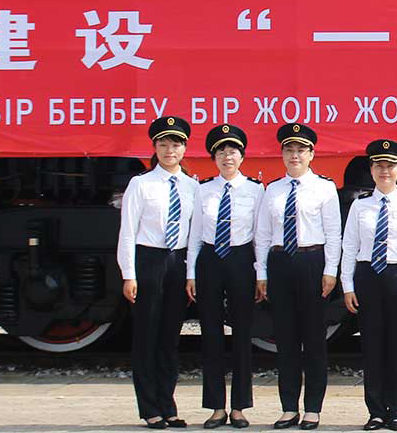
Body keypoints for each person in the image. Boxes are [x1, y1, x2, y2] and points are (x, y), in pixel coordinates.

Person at [254, 122, 342, 430]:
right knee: (286, 340)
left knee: (314, 340)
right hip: (280, 263)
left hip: (311, 262)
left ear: (312, 154)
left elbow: (333, 233)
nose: (295, 156)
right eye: (289, 150)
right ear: (281, 154)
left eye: (301, 150)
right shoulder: (273, 190)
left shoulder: (324, 188)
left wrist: (330, 270)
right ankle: (289, 407)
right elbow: (263, 234)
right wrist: (262, 272)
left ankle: (313, 409)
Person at [341, 139, 397, 431]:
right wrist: (347, 285)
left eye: (390, 165)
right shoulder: (360, 206)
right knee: (372, 346)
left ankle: (396, 411)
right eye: (379, 165)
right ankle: (375, 411)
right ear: (371, 169)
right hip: (368, 275)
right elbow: (349, 246)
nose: (384, 171)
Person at [120, 116, 197, 430]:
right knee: (146, 337)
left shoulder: (192, 186)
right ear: (154, 147)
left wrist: (192, 274)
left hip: (178, 262)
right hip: (149, 261)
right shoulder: (141, 184)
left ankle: (168, 406)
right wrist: (129, 274)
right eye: (163, 144)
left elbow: (195, 234)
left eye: (175, 144)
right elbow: (128, 232)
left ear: (184, 149)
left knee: (169, 339)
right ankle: (150, 409)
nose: (169, 150)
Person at [187, 124, 263, 429]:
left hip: (241, 258)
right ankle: (216, 407)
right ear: (213, 157)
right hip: (209, 260)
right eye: (221, 151)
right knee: (211, 333)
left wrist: (261, 273)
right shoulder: (202, 189)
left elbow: (261, 235)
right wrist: (191, 273)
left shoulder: (256, 190)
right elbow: (194, 235)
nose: (227, 157)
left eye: (232, 151)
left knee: (242, 334)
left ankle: (240, 407)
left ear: (242, 156)